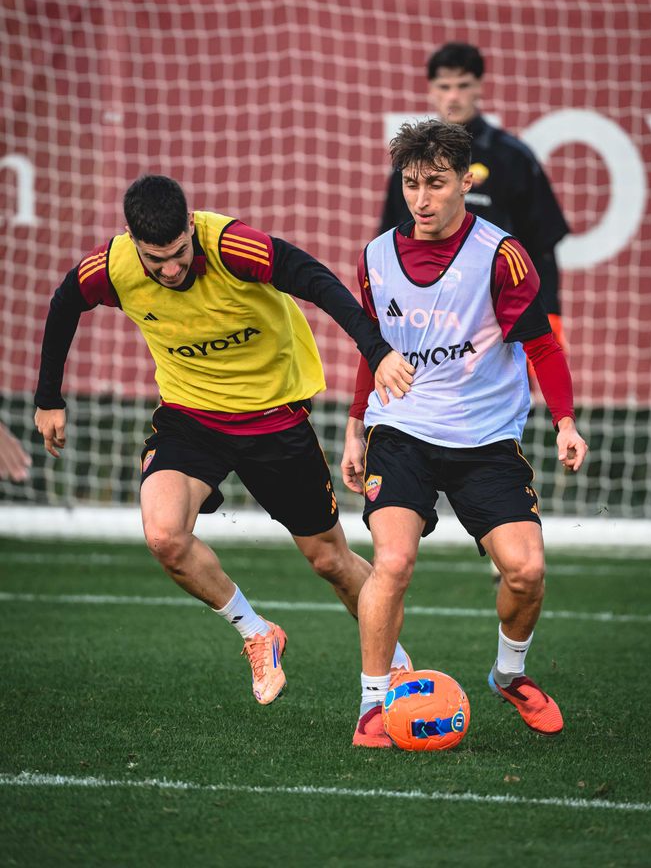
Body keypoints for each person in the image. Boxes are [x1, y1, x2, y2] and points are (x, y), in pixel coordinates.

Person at [34, 175, 415, 706]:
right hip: (190, 419)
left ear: (191, 227)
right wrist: (48, 395)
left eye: (178, 254)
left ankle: (397, 666)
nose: (169, 270)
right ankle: (258, 633)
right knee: (164, 536)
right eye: (154, 259)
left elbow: (317, 280)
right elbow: (63, 302)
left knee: (330, 560)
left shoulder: (233, 246)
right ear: (131, 241)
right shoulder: (114, 266)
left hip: (274, 419)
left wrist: (375, 350)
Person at [342, 120, 587, 747]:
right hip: (402, 431)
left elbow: (541, 346)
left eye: (435, 183)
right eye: (410, 183)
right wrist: (352, 425)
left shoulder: (501, 255)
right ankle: (373, 708)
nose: (420, 199)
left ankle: (509, 675)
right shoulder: (375, 257)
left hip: (485, 441)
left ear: (464, 183)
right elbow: (371, 350)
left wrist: (565, 421)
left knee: (527, 572)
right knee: (391, 561)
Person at [379, 41, 569, 351]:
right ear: (431, 90)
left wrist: (550, 312)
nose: (453, 96)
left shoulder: (511, 158)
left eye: (463, 85)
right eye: (444, 86)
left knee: (504, 396)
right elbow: (390, 239)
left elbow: (543, 244)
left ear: (480, 86)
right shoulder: (411, 161)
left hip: (497, 310)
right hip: (426, 311)